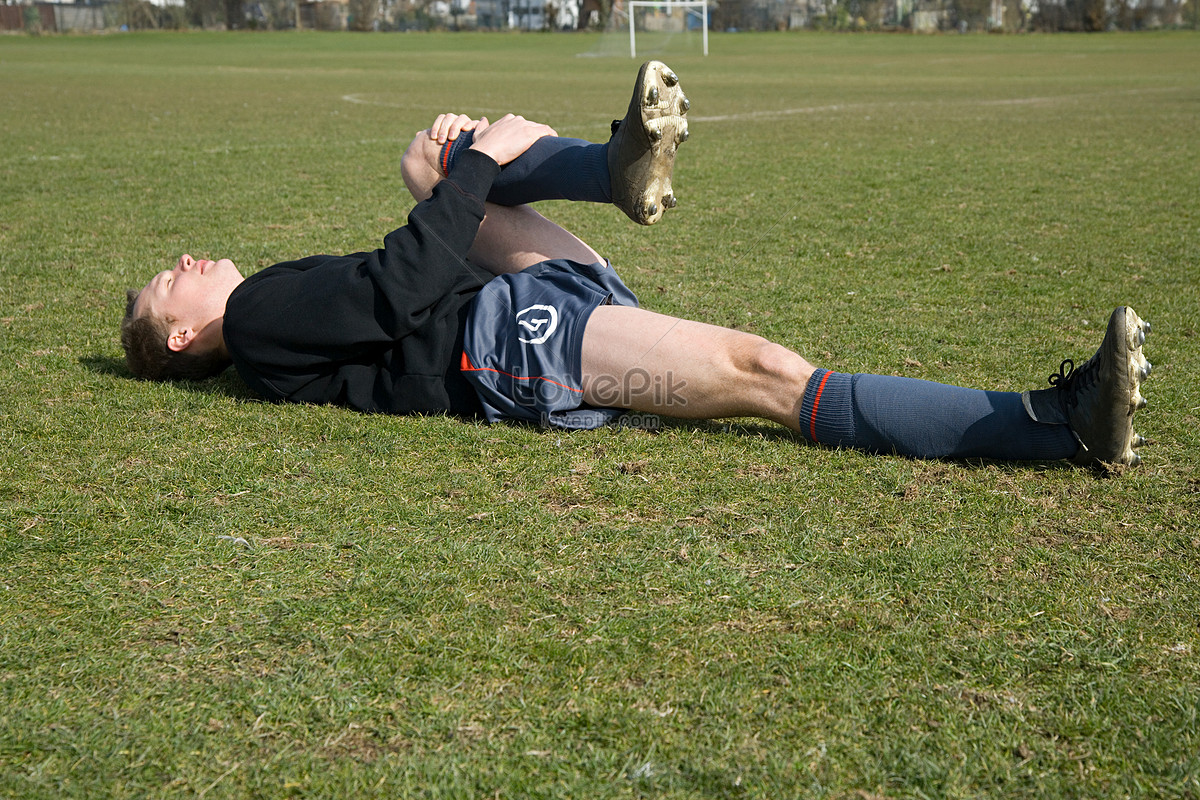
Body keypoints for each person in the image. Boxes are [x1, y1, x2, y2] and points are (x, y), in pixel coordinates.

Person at [120, 61, 1152, 471]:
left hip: (522, 301)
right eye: (168, 281)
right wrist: (483, 163)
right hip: (511, 347)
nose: (183, 261)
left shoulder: (262, 309)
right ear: (180, 334)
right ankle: (1054, 425)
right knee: (766, 373)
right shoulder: (252, 319)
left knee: (417, 158)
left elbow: (408, 266)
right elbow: (398, 289)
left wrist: (456, 172)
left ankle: (612, 167)